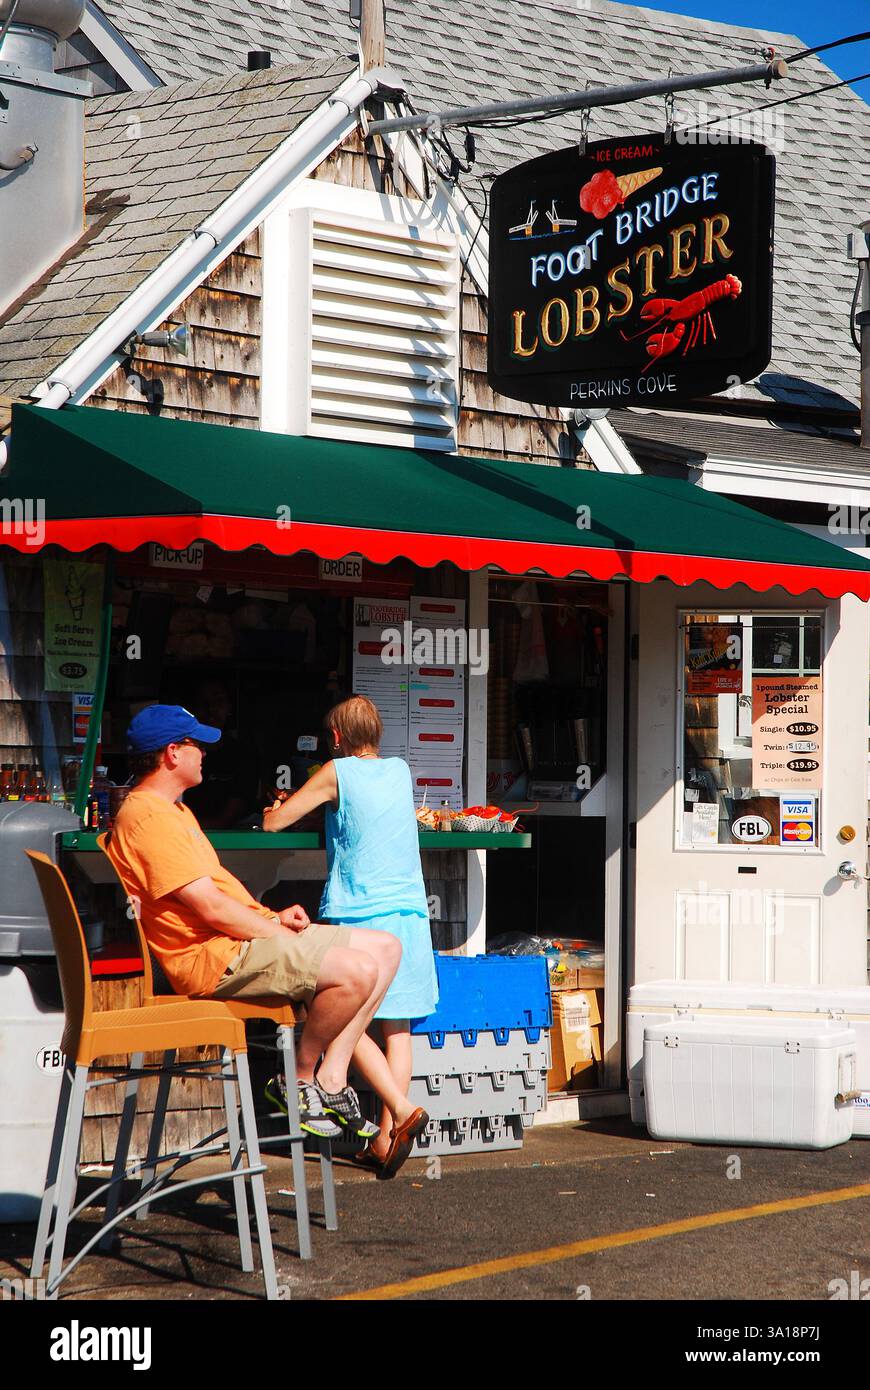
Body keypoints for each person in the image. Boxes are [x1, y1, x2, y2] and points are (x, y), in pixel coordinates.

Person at [106, 703, 424, 1150]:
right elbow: (211, 909)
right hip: (217, 958)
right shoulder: (147, 817)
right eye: (197, 745)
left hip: (238, 940)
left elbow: (220, 894)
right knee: (356, 972)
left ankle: (330, 1080)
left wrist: (272, 917)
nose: (205, 754)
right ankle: (298, 1077)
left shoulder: (173, 811)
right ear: (172, 753)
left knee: (387, 949)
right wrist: (275, 932)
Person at [263, 694, 437, 1177]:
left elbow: (276, 822)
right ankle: (385, 1139)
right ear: (376, 734)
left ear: (336, 738)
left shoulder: (336, 771)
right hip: (408, 913)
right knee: (396, 1028)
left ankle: (401, 1110)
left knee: (342, 1017)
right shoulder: (400, 771)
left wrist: (276, 806)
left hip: (358, 913)